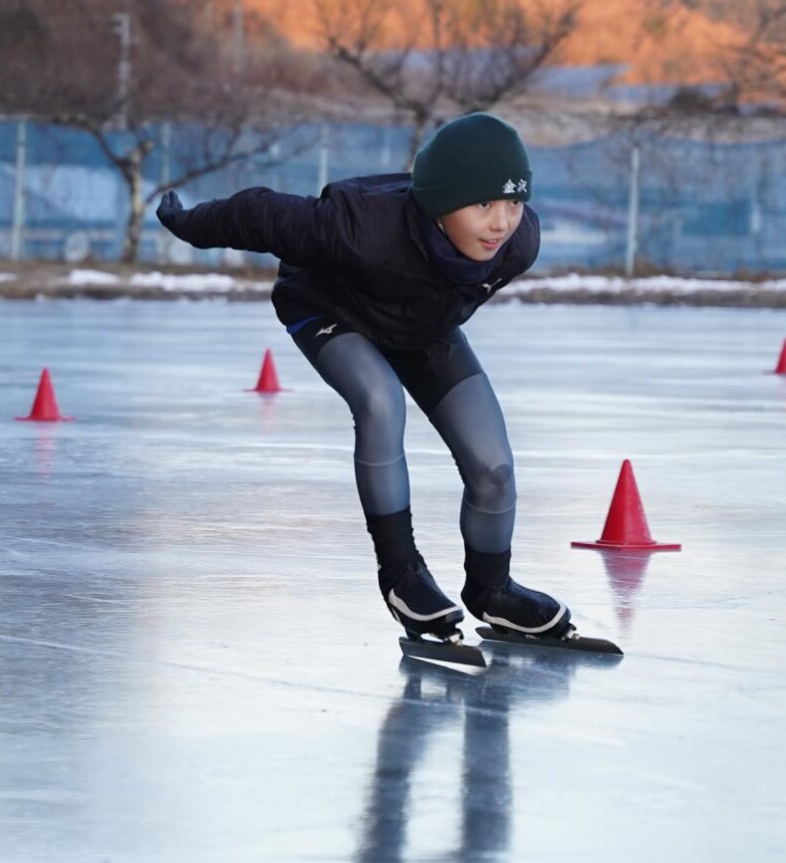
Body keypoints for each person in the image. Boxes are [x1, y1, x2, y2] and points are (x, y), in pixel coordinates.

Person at [156, 111, 580, 647]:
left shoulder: (518, 245)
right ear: (442, 201)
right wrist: (187, 222)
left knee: (493, 465)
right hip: (332, 308)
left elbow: (466, 263)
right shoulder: (358, 226)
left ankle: (492, 591)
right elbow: (258, 213)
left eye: (514, 202)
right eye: (483, 204)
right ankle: (402, 575)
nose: (501, 223)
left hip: (422, 327)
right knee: (381, 401)